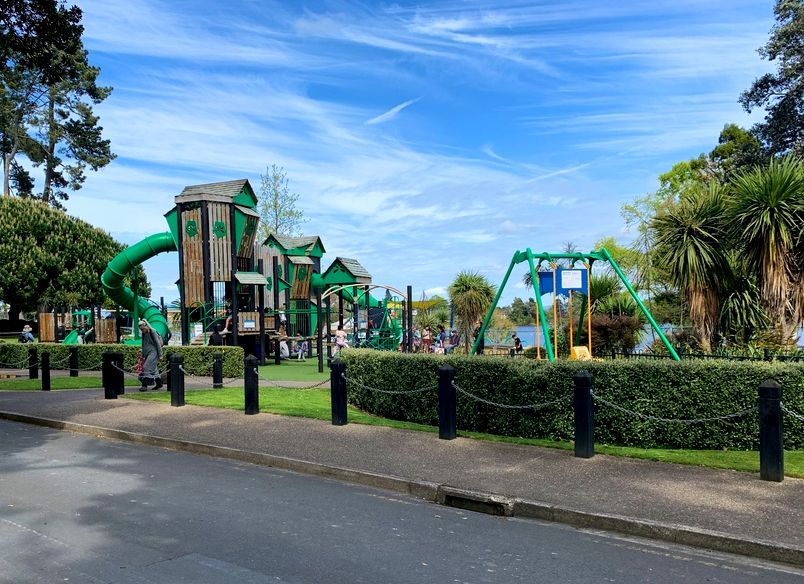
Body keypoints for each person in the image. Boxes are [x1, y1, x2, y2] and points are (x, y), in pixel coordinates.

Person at [138, 319, 163, 391]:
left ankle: (144, 385)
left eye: (142, 329)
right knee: (154, 369)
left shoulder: (153, 332)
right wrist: (142, 352)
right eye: (141, 329)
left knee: (146, 367)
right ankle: (159, 383)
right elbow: (143, 343)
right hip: (147, 353)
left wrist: (160, 355)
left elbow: (158, 344)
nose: (142, 331)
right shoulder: (144, 333)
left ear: (146, 326)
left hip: (153, 353)